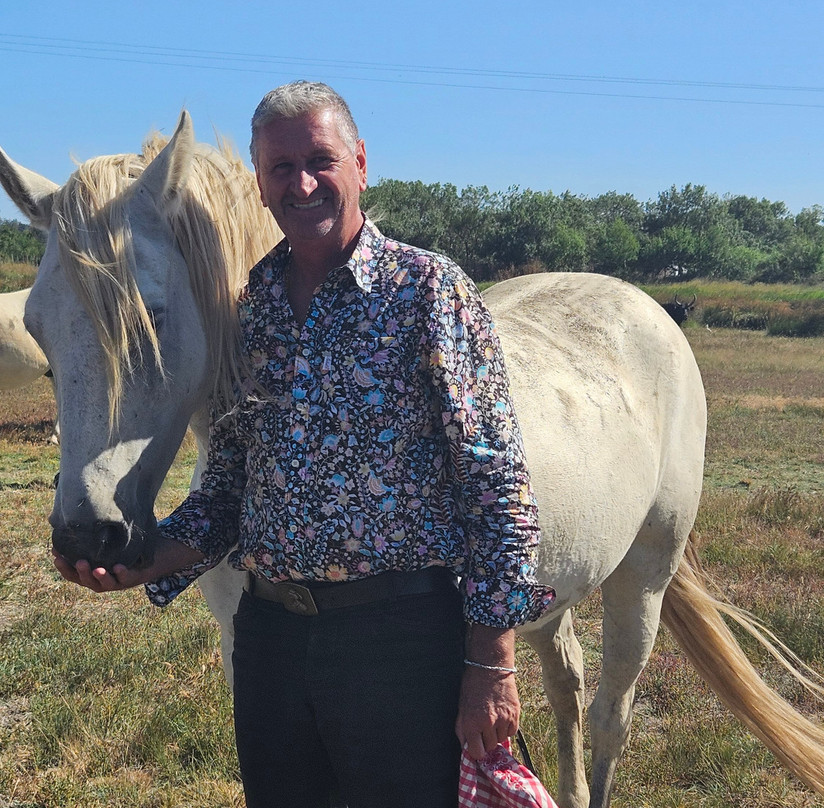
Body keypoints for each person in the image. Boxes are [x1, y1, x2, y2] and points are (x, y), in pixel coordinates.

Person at [54, 80, 555, 808]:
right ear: (259, 183)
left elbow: (496, 485)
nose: (304, 183)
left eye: (321, 160)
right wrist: (146, 560)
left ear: (359, 162)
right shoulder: (254, 305)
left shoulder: (426, 290)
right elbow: (228, 489)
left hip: (401, 639)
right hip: (271, 639)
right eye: (281, 168)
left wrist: (491, 663)